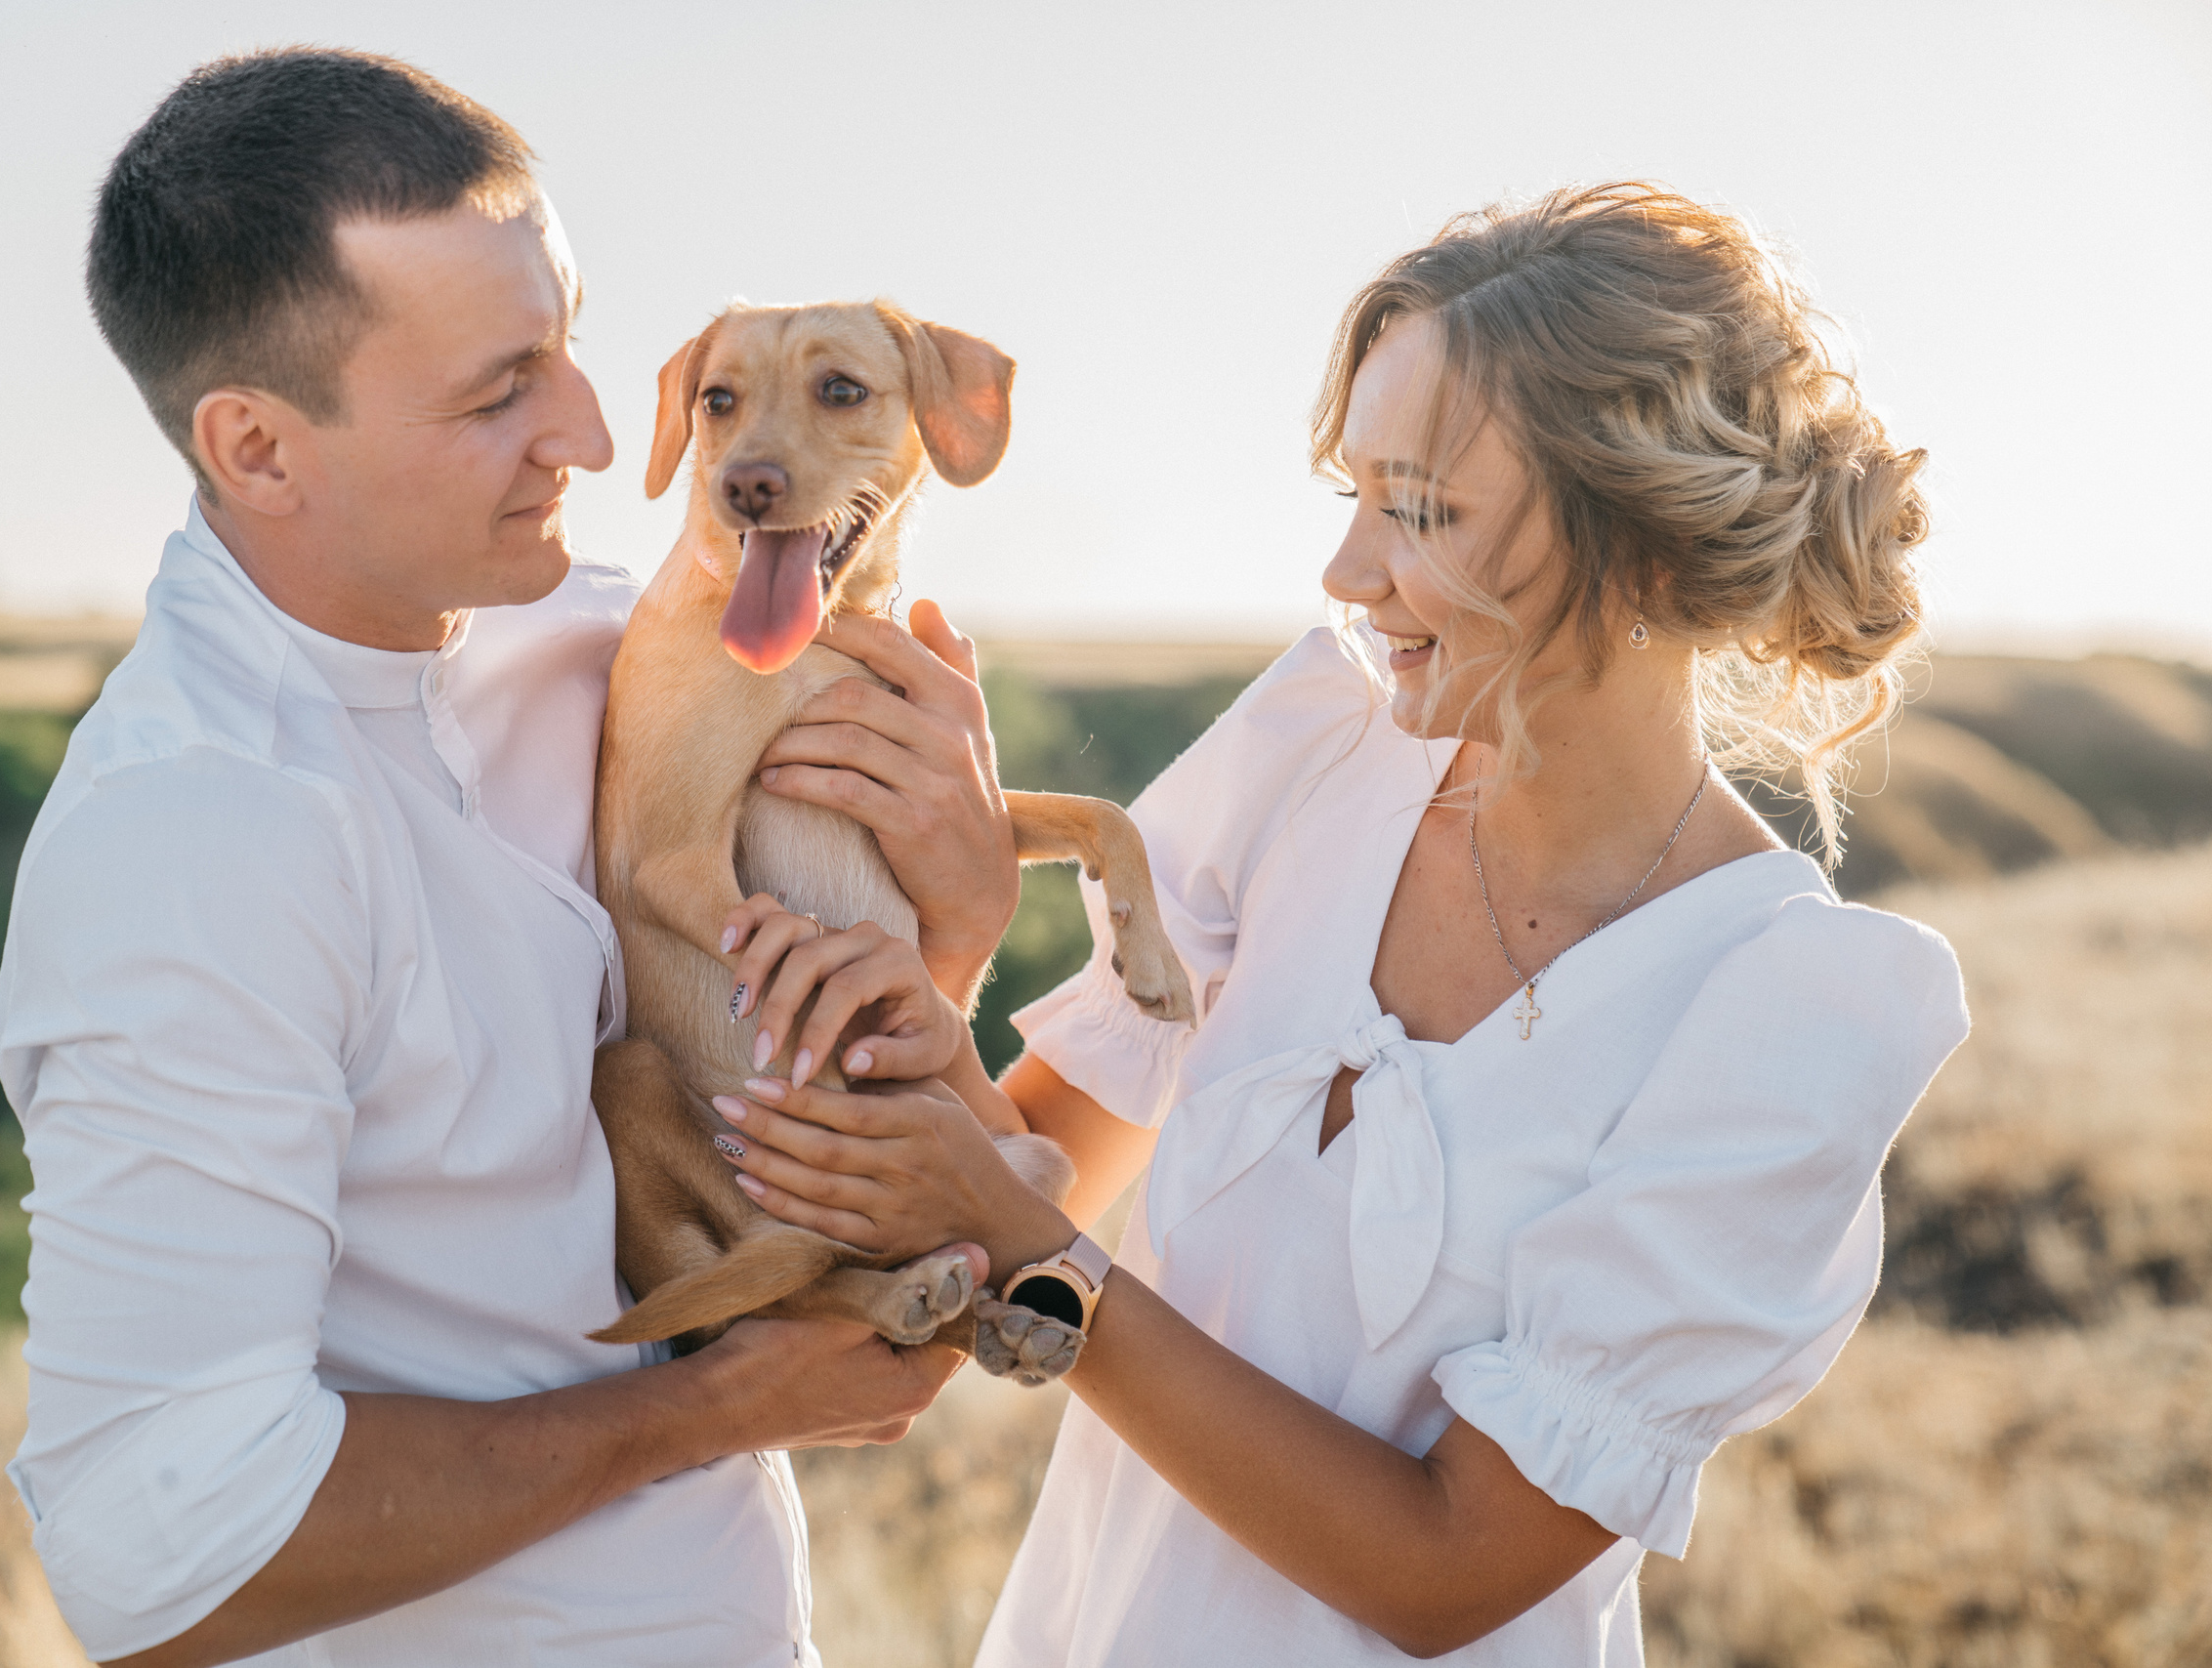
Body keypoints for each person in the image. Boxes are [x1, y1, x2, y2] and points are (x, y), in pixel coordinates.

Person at [705, 183, 1974, 1664]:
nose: (1347, 572)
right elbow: (1003, 1197)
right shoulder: (1302, 761)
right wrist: (960, 945)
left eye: (1421, 512)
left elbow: (1444, 1570)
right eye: (1355, 497)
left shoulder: (1789, 1003)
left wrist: (1029, 1242)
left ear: (1635, 547)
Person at [0, 48, 1020, 1667]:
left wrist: (959, 923)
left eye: (571, 347)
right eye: (498, 393)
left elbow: (753, 1035)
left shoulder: (619, 639)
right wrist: (715, 1408)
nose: (605, 437)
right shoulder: (196, 835)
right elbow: (157, 1549)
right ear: (259, 450)